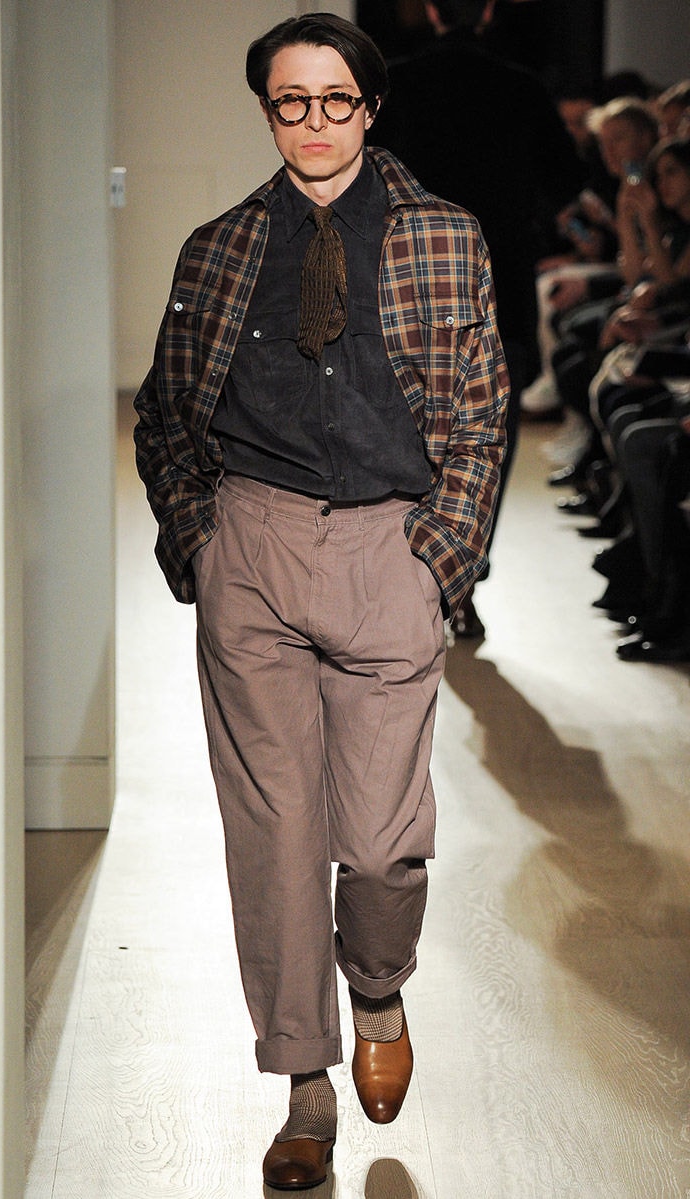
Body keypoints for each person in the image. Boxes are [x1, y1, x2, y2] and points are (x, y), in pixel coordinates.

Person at [133, 13, 508, 1191]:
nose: (312, 122)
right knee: (276, 840)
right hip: (252, 545)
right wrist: (202, 540)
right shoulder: (216, 248)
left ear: (369, 107)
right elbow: (164, 410)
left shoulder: (444, 236)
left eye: (334, 99)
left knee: (383, 845)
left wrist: (439, 555)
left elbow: (481, 412)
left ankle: (377, 989)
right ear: (266, 111)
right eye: (289, 102)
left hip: (388, 547)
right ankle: (303, 1086)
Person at [372, 0, 583, 635]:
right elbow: (567, 180)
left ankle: (408, 577)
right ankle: (461, 583)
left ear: (431, 10)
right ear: (489, 11)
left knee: (406, 431)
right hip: (499, 280)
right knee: (487, 440)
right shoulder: (521, 88)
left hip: (410, 282)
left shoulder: (394, 84)